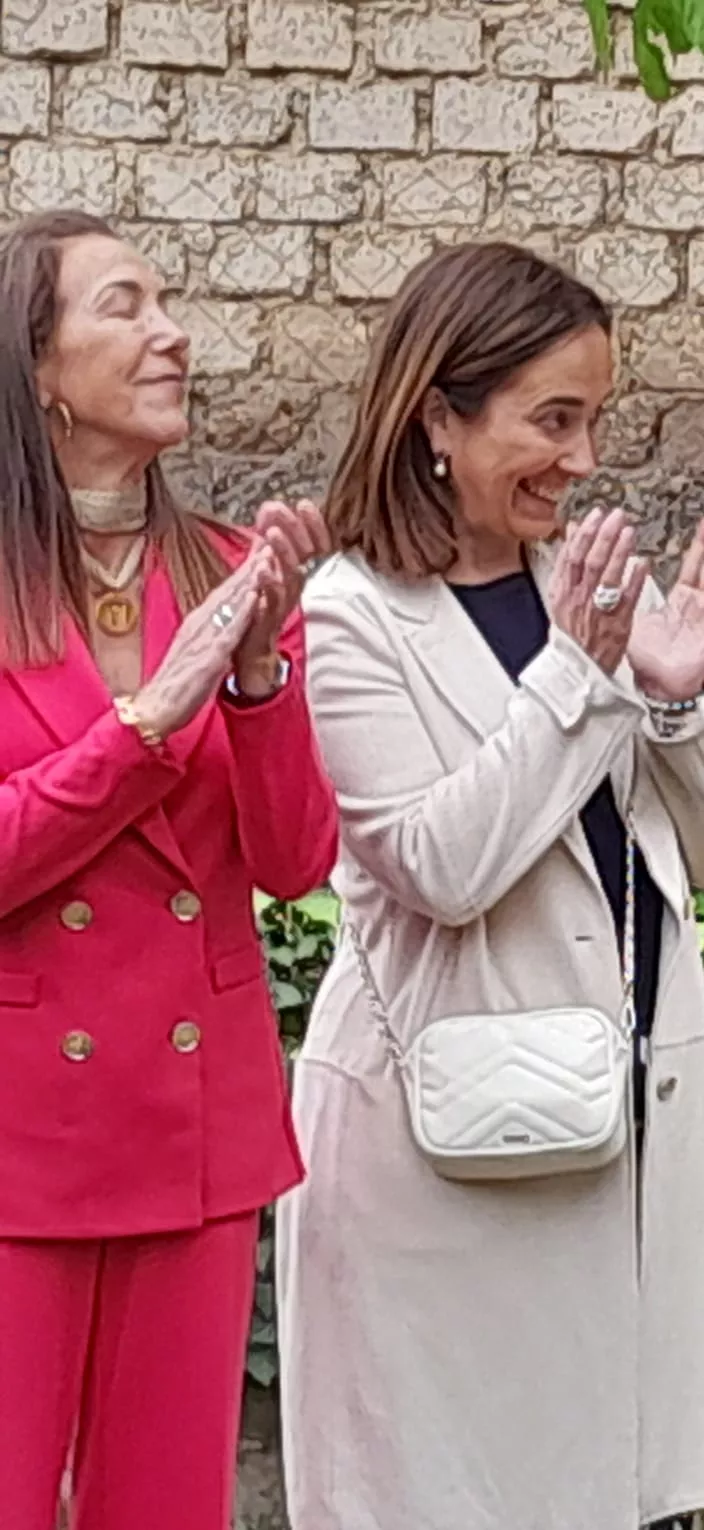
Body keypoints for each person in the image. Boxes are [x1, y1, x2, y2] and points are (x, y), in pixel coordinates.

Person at [275, 243, 704, 1530]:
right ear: (438, 416)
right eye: (552, 420)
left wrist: (678, 703)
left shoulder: (589, 585)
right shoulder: (349, 614)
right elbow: (442, 866)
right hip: (436, 1160)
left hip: (622, 1116)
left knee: (605, 1489)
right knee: (450, 1494)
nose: (583, 458)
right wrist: (581, 680)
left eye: (595, 419)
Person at [0, 210, 337, 1530]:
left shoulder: (230, 571)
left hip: (196, 1121)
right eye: (125, 306)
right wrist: (141, 731)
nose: (172, 334)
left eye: (168, 303)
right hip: (20, 1129)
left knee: (164, 1506)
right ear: (38, 367)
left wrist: (255, 681)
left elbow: (296, 862)